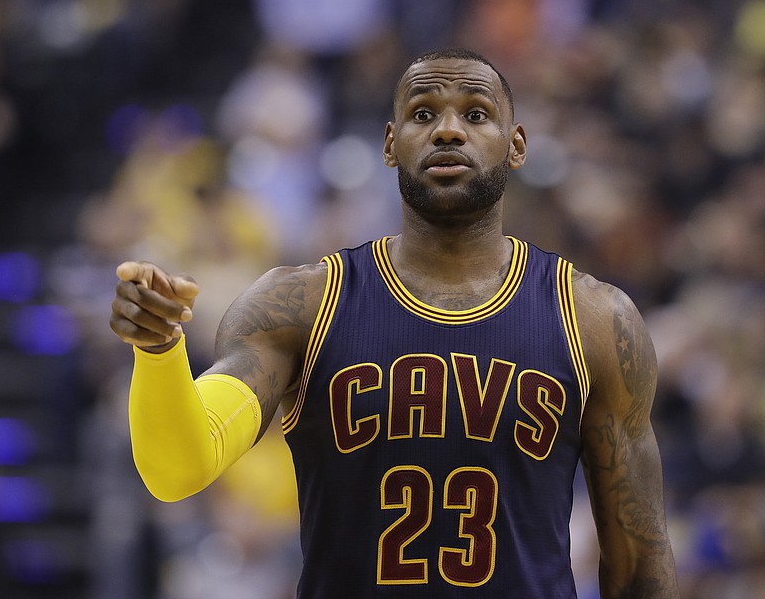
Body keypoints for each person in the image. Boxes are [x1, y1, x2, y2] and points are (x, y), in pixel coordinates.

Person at [109, 47, 680, 598]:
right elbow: (178, 468)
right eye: (422, 113)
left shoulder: (596, 319)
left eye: (476, 114)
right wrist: (158, 351)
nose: (448, 130)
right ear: (390, 144)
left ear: (516, 145)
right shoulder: (301, 306)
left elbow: (639, 561)